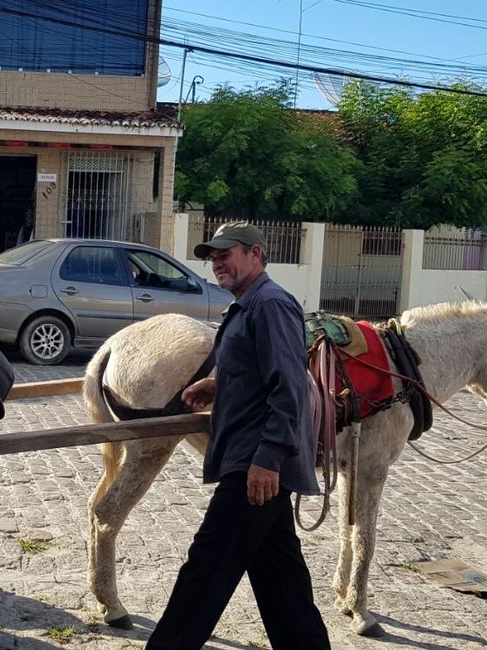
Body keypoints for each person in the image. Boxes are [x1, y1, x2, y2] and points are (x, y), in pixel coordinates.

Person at [145, 222, 331, 650]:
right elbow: (257, 368)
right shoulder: (247, 305)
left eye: (225, 254)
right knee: (282, 583)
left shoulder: (270, 305)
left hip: (255, 465)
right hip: (253, 461)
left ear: (255, 254)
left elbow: (289, 388)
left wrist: (267, 459)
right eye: (212, 257)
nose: (217, 262)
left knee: (206, 570)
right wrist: (218, 383)